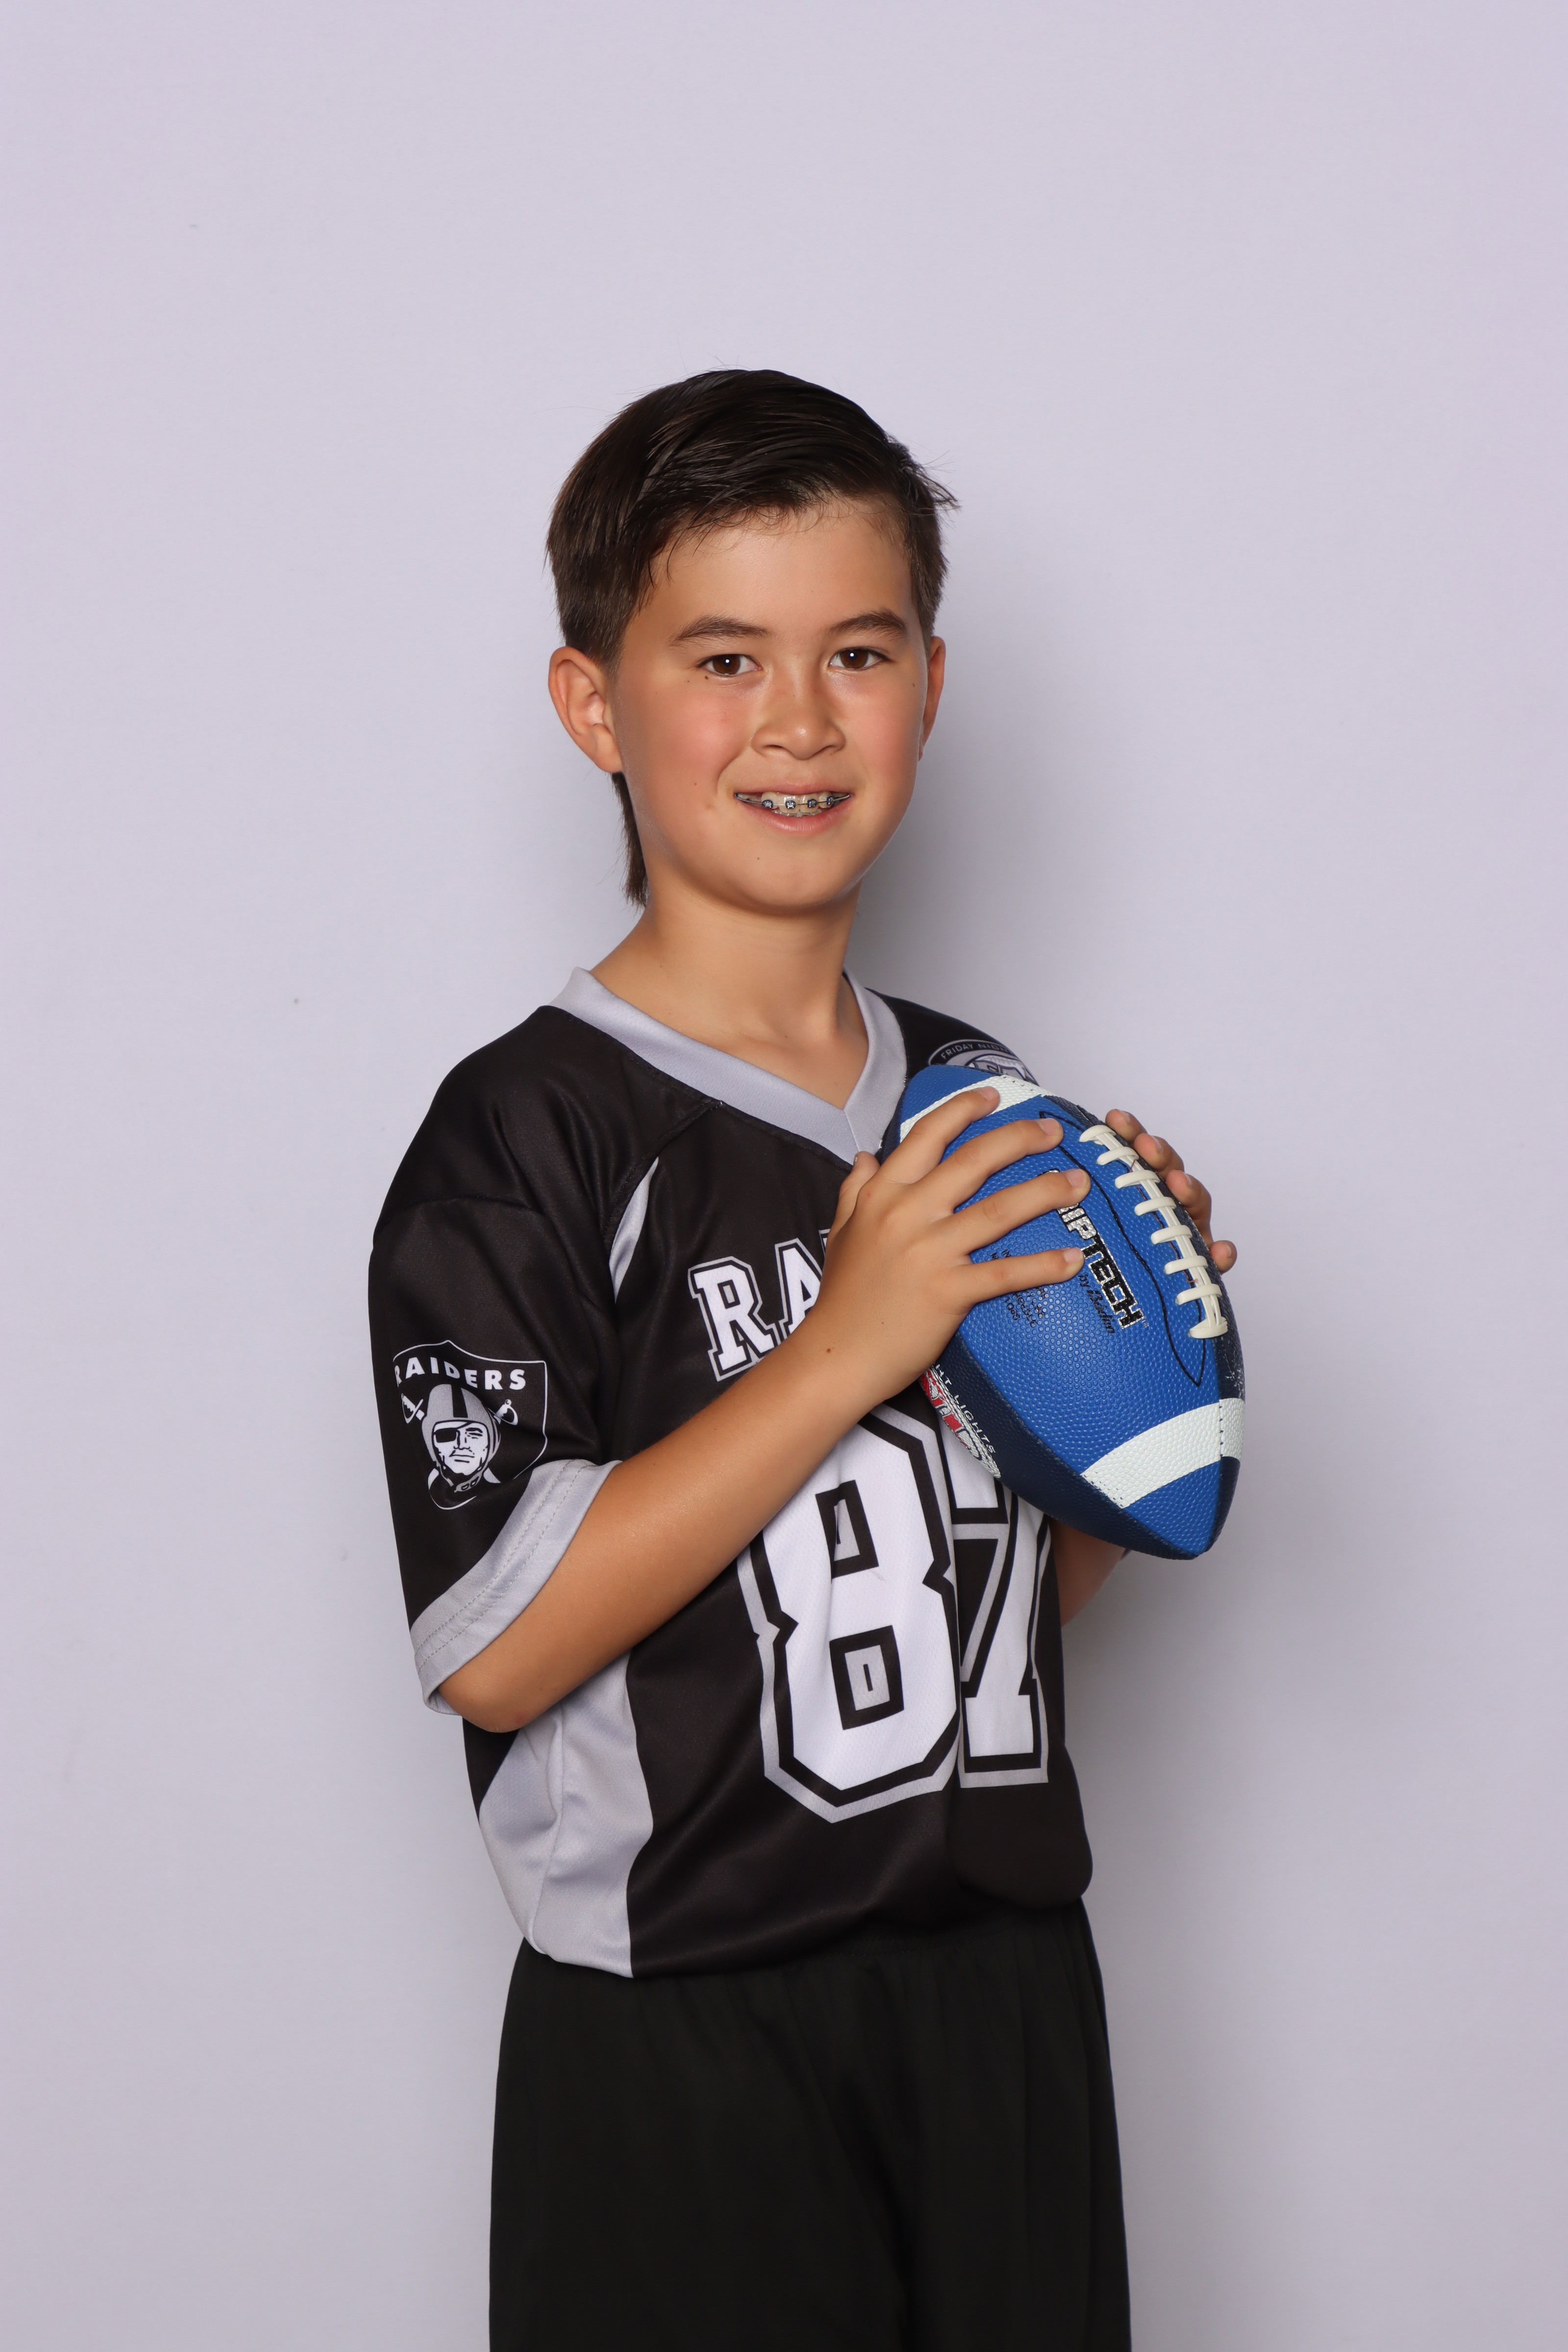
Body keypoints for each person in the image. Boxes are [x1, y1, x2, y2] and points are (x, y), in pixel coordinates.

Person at [368, 369, 1238, 2351]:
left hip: (1008, 1996)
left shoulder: (979, 1101)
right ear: (594, 704)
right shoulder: (527, 1138)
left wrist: (1126, 1396)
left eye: (856, 650)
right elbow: (494, 1650)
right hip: (684, 2029)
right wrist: (848, 1344)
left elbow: (999, 1606)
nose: (796, 719)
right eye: (722, 658)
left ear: (929, 683)